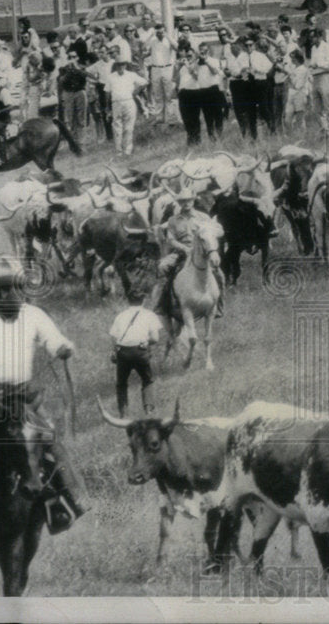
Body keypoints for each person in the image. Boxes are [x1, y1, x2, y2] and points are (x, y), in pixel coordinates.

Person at [0, 264, 89, 534]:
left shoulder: (34, 315)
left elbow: (54, 340)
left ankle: (70, 501)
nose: (15, 295)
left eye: (18, 288)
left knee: (48, 438)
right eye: (7, 289)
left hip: (22, 397)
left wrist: (64, 347)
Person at [153, 187, 224, 319]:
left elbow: (216, 232)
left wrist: (214, 236)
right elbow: (171, 239)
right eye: (183, 201)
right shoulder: (173, 220)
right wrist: (184, 249)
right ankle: (162, 304)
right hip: (181, 252)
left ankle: (218, 305)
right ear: (179, 203)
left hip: (202, 252)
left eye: (189, 200)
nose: (186, 203)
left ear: (193, 201)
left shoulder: (203, 217)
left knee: (219, 274)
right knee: (163, 267)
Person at [109, 291, 163, 417]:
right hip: (140, 351)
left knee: (121, 383)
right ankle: (149, 410)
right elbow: (155, 338)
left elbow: (113, 336)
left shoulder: (120, 315)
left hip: (123, 351)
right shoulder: (150, 315)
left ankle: (123, 413)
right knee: (147, 380)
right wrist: (146, 342)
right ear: (143, 300)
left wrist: (114, 350)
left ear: (128, 300)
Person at [105, 58, 148, 157]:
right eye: (118, 65)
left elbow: (145, 82)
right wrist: (107, 107)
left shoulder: (131, 75)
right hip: (116, 103)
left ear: (125, 65)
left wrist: (135, 91)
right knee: (117, 128)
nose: (120, 67)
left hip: (128, 101)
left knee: (128, 127)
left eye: (122, 65)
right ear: (115, 66)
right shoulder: (111, 77)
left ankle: (128, 150)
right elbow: (107, 93)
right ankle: (118, 151)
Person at [145, 23, 178, 125]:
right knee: (157, 94)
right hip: (155, 68)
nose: (160, 34)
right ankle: (159, 117)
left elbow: (177, 48)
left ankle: (171, 118)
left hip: (167, 68)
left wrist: (167, 36)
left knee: (169, 94)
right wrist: (151, 35)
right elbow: (144, 48)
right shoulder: (153, 41)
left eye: (162, 32)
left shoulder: (169, 40)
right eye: (158, 32)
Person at [224, 34, 255, 138]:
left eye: (234, 44)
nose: (233, 47)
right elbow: (228, 72)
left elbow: (245, 71)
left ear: (239, 45)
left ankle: (251, 132)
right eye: (231, 45)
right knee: (238, 110)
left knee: (247, 109)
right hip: (234, 83)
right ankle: (244, 133)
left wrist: (239, 73)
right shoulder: (229, 57)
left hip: (244, 83)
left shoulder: (245, 56)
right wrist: (228, 72)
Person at [59, 50, 89, 149]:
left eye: (74, 57)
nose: (72, 59)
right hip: (68, 93)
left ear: (77, 58)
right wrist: (68, 71)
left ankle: (82, 143)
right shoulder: (63, 69)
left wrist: (76, 68)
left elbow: (85, 76)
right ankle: (73, 143)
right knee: (70, 119)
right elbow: (61, 81)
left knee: (81, 119)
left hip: (80, 92)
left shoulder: (82, 67)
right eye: (70, 57)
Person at [307, 29, 329, 130]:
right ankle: (325, 129)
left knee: (327, 104)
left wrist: (318, 64)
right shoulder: (313, 48)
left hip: (324, 76)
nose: (311, 39)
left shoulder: (326, 47)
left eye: (313, 37)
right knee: (316, 107)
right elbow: (312, 63)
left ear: (319, 37)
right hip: (315, 77)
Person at [195, 42, 225, 141]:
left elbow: (214, 72)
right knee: (208, 117)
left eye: (205, 50)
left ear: (208, 51)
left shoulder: (214, 61)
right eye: (201, 51)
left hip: (214, 89)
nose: (203, 53)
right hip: (202, 91)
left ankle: (220, 136)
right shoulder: (196, 63)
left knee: (218, 115)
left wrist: (206, 61)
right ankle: (212, 138)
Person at [175, 45, 204, 147]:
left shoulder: (198, 64)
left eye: (190, 55)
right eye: (187, 56)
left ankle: (197, 139)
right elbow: (174, 79)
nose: (188, 57)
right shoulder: (183, 67)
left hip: (194, 92)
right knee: (185, 117)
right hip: (183, 93)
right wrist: (177, 68)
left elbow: (196, 76)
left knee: (194, 117)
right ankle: (190, 137)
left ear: (195, 56)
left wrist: (187, 65)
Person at [86, 46, 115, 142]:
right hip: (103, 89)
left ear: (108, 52)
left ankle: (118, 132)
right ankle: (109, 135)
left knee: (116, 110)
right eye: (100, 53)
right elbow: (87, 71)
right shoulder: (98, 64)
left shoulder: (113, 63)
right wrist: (95, 80)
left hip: (114, 88)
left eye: (103, 52)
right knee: (105, 111)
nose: (101, 54)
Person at [250, 37, 276, 135]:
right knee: (263, 106)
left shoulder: (265, 55)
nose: (265, 49)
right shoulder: (254, 55)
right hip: (260, 81)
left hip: (268, 81)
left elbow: (272, 66)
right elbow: (259, 68)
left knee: (269, 105)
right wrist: (269, 68)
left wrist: (270, 67)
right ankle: (270, 126)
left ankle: (272, 128)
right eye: (263, 47)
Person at [286, 49, 310, 132]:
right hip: (291, 95)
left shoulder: (303, 70)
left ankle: (303, 137)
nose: (292, 59)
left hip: (300, 95)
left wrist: (289, 80)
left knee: (300, 120)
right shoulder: (293, 68)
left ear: (297, 58)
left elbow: (298, 86)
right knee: (287, 119)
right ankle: (291, 136)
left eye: (293, 58)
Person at [23, 52, 46, 120]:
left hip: (36, 88)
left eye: (31, 60)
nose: (30, 61)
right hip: (35, 87)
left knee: (33, 108)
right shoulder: (37, 68)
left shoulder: (39, 69)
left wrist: (27, 71)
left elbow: (31, 79)